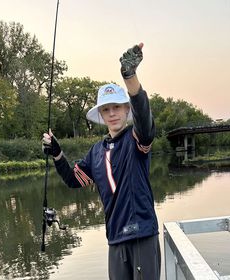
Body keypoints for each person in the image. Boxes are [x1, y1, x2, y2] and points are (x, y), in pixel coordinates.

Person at [42, 43, 160, 280]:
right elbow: (73, 179)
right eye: (107, 109)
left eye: (117, 107)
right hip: (115, 240)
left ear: (127, 110)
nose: (113, 113)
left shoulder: (136, 141)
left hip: (142, 236)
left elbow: (145, 121)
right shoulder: (97, 152)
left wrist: (129, 76)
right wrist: (57, 153)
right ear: (102, 115)